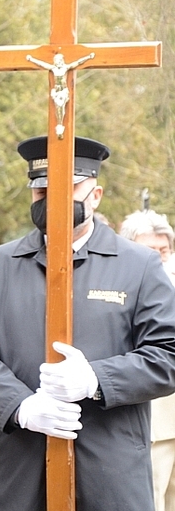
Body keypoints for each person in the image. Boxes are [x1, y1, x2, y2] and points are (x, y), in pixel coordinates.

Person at [0, 135, 175, 511]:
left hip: (110, 473)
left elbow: (167, 355)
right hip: (22, 471)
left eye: (67, 188)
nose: (51, 200)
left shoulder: (138, 266)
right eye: (41, 191)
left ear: (96, 195)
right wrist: (21, 406)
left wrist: (97, 380)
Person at [119, 209, 175, 511]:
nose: (158, 258)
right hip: (152, 426)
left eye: (163, 251)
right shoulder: (119, 289)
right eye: (149, 250)